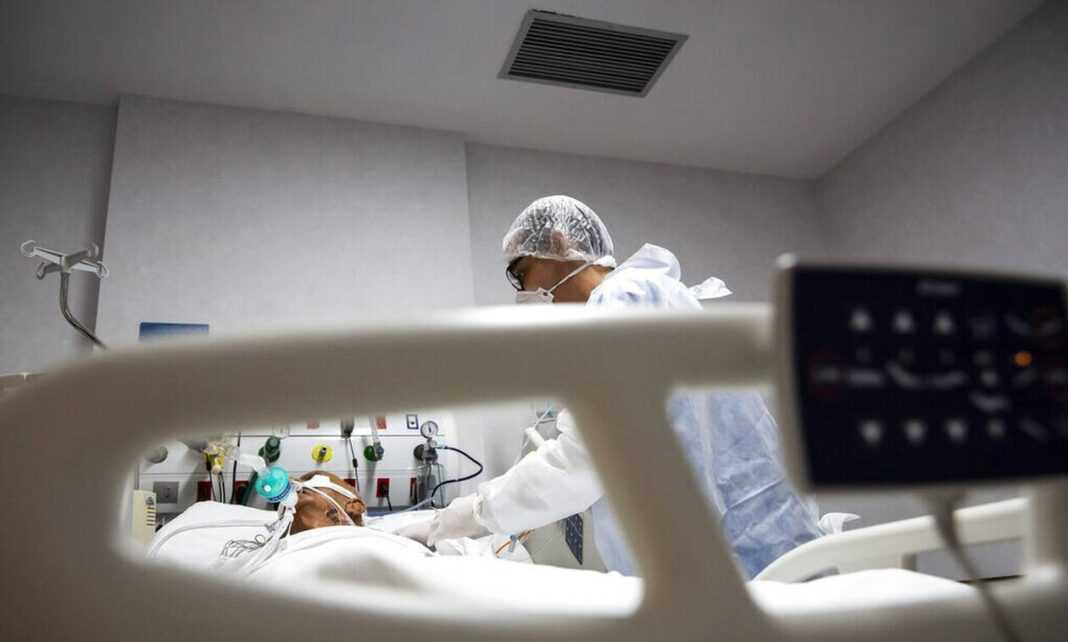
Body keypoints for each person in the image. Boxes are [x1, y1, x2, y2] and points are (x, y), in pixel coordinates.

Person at [400, 195, 824, 578]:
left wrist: (467, 515)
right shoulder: (643, 299)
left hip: (743, 564)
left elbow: (590, 456)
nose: (526, 293)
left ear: (559, 242)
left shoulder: (624, 298)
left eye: (523, 274)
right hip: (743, 555)